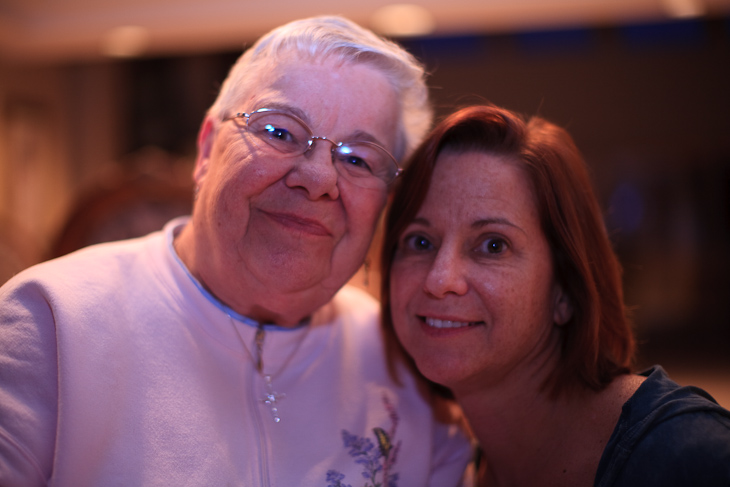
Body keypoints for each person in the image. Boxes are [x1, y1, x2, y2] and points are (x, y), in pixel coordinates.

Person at [0, 16, 473, 487]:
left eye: (358, 160)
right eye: (280, 132)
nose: (319, 179)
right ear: (207, 151)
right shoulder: (51, 323)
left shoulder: (399, 360)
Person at [380, 104, 730, 486]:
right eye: (420, 241)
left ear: (564, 289)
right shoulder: (449, 466)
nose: (440, 278)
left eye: (493, 245)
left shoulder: (688, 455)